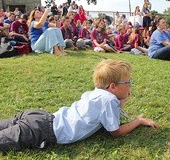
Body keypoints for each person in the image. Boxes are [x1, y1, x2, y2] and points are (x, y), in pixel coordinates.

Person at [0, 59, 159, 152]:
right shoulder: (108, 100)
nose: (130, 85)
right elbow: (115, 131)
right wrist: (139, 121)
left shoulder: (98, 93)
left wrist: (121, 102)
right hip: (42, 131)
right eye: (128, 82)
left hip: (41, 118)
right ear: (113, 86)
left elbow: (108, 116)